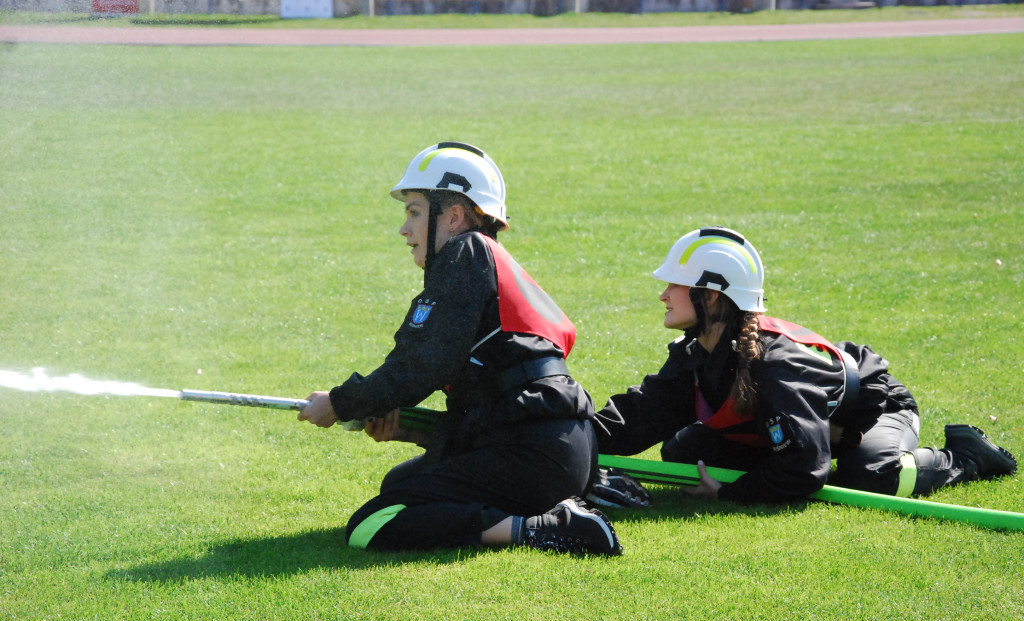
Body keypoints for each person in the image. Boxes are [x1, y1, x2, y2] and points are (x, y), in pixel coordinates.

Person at [297, 142, 622, 555]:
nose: (404, 229)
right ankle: (569, 499)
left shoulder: (465, 253)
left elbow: (422, 363)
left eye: (414, 212)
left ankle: (547, 526)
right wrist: (407, 429)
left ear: (452, 217)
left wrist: (342, 403)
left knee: (371, 525)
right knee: (399, 484)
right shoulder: (484, 260)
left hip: (534, 454)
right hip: (554, 449)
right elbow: (492, 402)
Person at [593, 226, 1016, 504]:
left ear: (712, 295)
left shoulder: (775, 365)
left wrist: (728, 493)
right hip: (801, 427)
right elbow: (639, 418)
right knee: (685, 451)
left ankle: (966, 456)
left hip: (874, 413)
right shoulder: (696, 353)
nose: (663, 294)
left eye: (675, 284)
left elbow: (802, 471)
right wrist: (564, 439)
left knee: (867, 477)